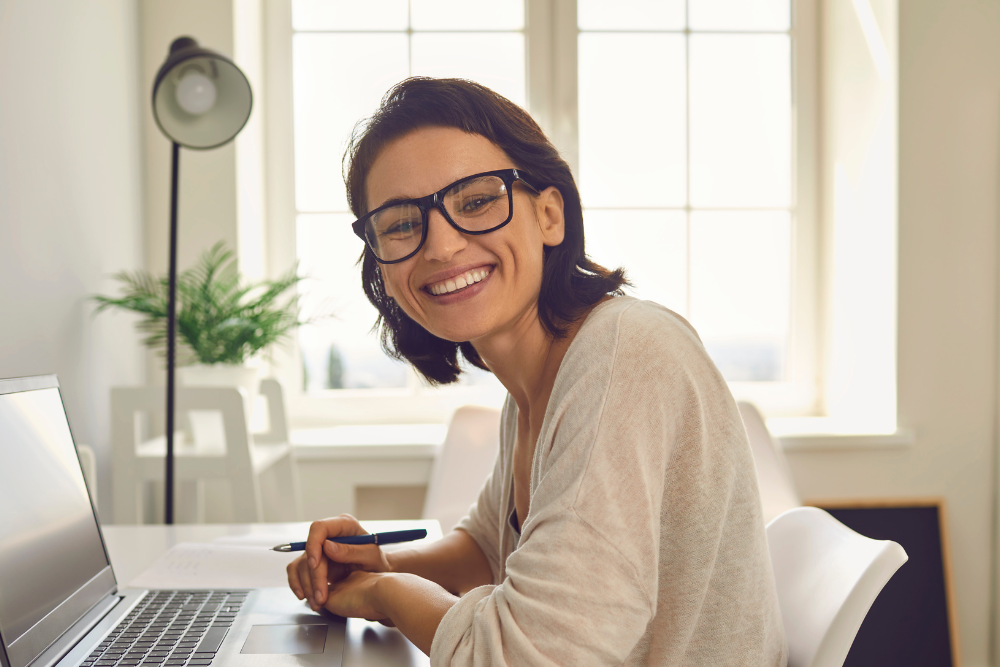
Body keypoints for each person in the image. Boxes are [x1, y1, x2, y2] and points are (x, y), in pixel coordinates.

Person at [286, 77, 787, 666]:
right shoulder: (536, 382)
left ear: (549, 215)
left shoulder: (623, 355)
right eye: (400, 223)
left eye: (475, 201)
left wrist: (385, 594)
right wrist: (379, 560)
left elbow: (531, 657)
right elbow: (485, 550)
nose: (440, 247)